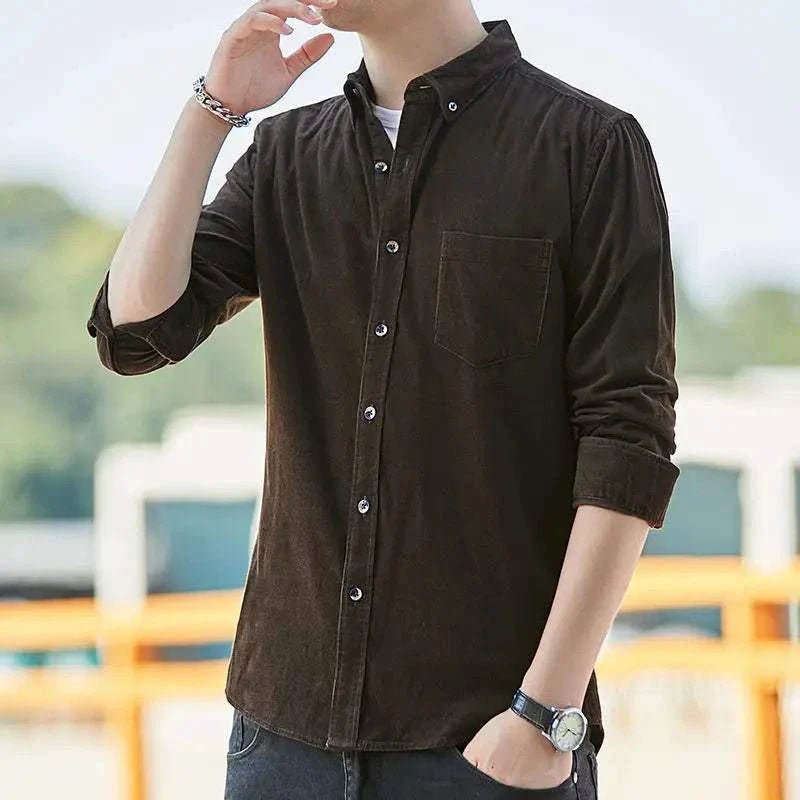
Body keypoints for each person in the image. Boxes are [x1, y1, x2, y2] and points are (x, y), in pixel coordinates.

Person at [86, 1, 680, 797]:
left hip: (485, 741)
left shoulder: (587, 146)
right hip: (281, 743)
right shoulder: (285, 156)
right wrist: (213, 110)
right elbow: (135, 332)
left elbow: (628, 442)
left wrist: (545, 711)